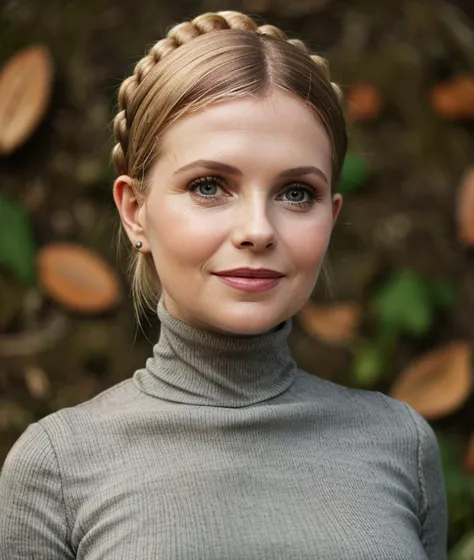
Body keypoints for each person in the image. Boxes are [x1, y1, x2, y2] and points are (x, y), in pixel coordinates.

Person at [0, 10, 448, 559]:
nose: (258, 230)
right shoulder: (58, 467)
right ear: (135, 211)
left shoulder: (399, 443)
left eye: (296, 193)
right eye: (210, 186)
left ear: (331, 215)